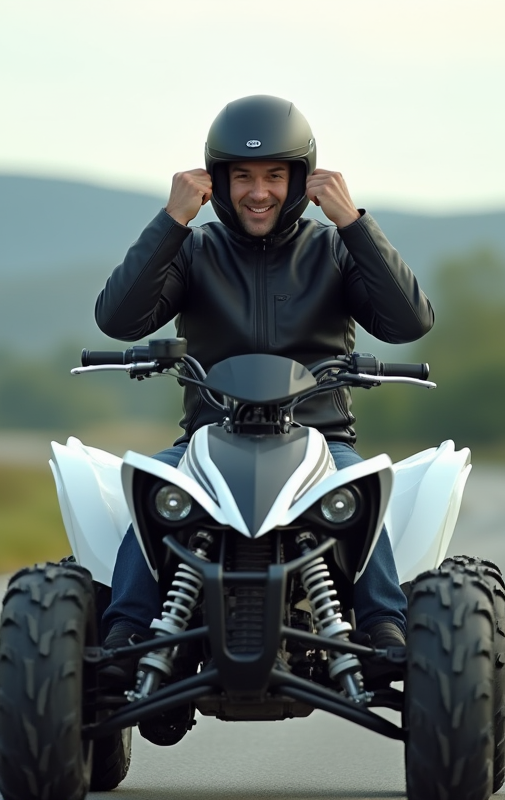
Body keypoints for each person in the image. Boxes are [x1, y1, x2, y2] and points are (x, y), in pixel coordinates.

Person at [94, 94, 434, 671]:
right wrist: (172, 219)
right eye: (243, 176)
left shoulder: (335, 247)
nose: (259, 192)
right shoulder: (193, 248)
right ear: (216, 182)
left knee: (364, 488)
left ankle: (382, 629)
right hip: (207, 438)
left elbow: (408, 322)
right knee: (151, 488)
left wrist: (353, 222)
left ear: (301, 178)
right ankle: (127, 634)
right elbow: (119, 319)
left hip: (323, 440)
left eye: (275, 175)